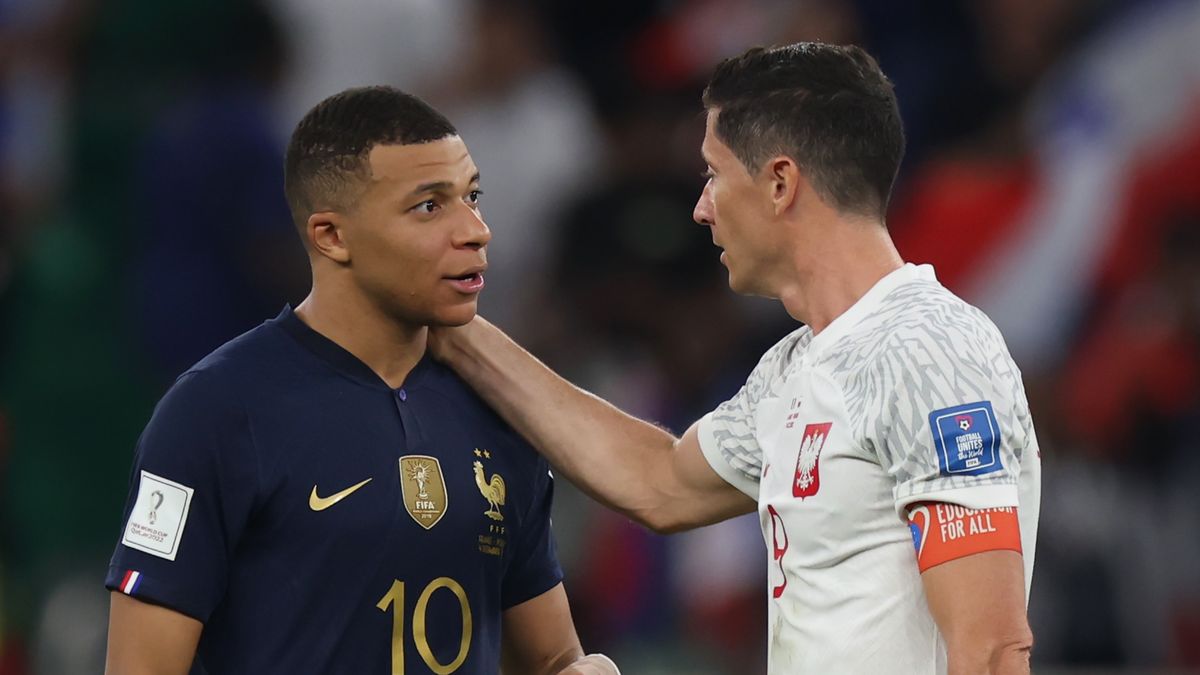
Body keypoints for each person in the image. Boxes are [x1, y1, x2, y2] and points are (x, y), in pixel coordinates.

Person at [432, 42, 1041, 674]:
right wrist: (456, 332)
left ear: (779, 183)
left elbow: (992, 651)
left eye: (713, 175)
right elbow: (659, 483)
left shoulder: (927, 351)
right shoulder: (792, 369)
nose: (701, 208)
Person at [103, 86, 617, 675]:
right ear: (332, 237)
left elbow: (551, 657)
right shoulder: (213, 413)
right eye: (430, 206)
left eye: (472, 197)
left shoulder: (500, 411)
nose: (476, 230)